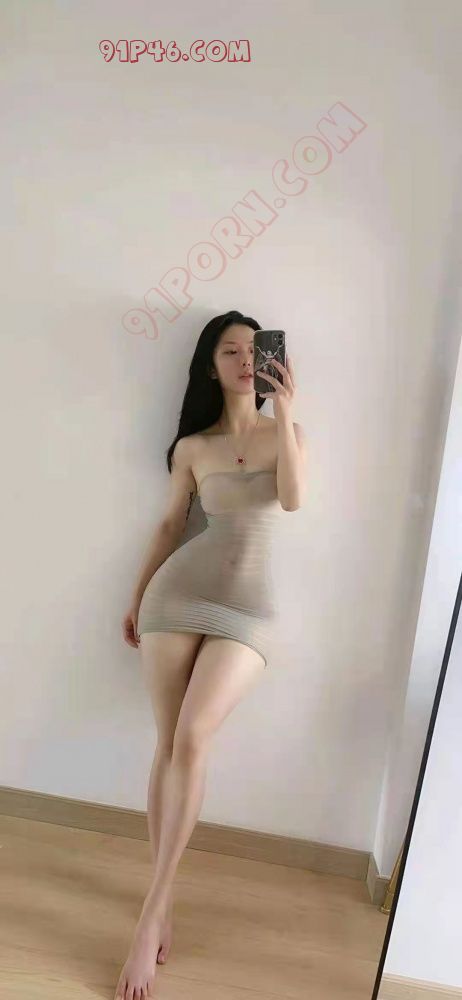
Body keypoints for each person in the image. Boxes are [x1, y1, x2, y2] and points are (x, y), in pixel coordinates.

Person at [114, 309, 307, 1000]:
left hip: (248, 609)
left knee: (194, 736)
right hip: (177, 597)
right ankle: (160, 903)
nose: (246, 360)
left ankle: (148, 917)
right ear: (210, 365)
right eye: (231, 351)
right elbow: (172, 523)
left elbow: (293, 500)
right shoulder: (192, 448)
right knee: (170, 743)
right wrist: (137, 596)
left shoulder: (288, 434)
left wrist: (287, 410)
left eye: (255, 351)